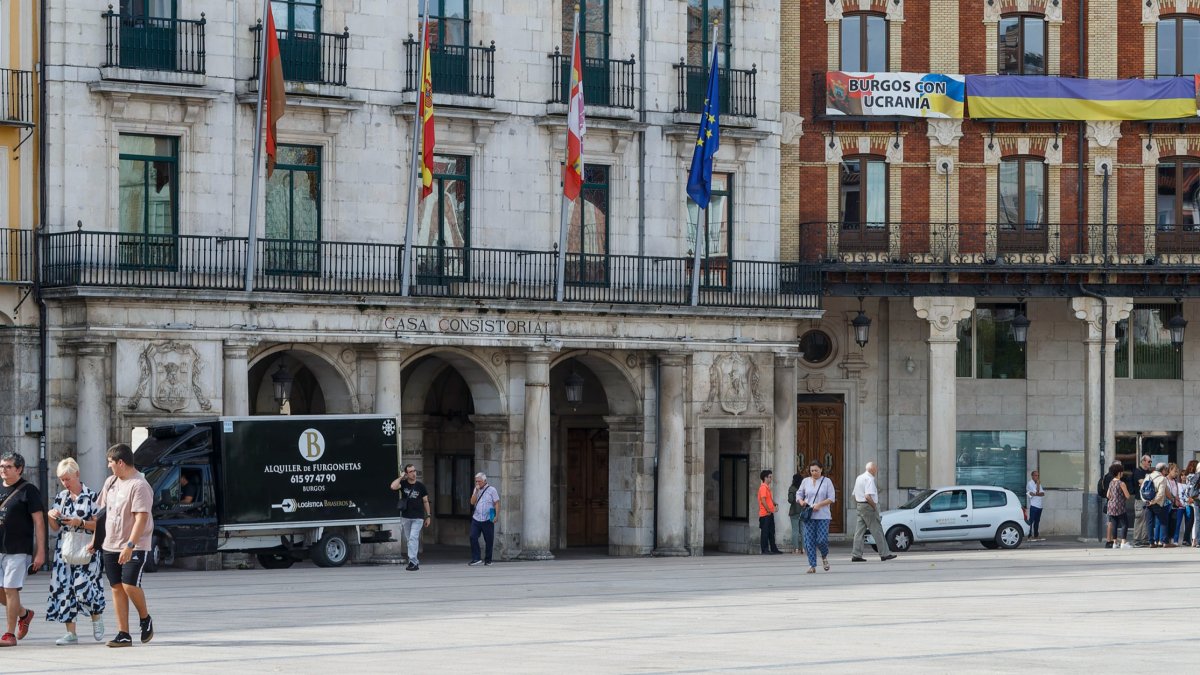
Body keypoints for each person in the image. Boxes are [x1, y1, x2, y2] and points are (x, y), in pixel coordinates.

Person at [94, 443, 155, 647]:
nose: (109, 466)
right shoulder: (110, 482)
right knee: (117, 587)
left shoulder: (139, 485)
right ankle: (123, 633)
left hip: (134, 544)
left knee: (129, 584)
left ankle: (145, 618)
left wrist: (130, 545)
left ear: (121, 462)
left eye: (110, 462)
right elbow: (101, 513)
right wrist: (95, 541)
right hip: (110, 543)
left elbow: (141, 519)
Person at [45, 458, 106, 645]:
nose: (65, 483)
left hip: (87, 548)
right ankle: (71, 633)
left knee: (84, 588)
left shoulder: (92, 496)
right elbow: (55, 528)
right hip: (65, 549)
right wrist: (51, 516)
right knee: (64, 590)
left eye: (68, 479)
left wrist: (80, 523)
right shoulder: (61, 497)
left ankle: (96, 616)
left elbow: (100, 525)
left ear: (77, 475)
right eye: (62, 479)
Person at [0, 451, 45, 647]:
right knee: (4, 592)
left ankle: (8, 635)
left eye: (8, 466)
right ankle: (24, 614)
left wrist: (41, 551)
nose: (3, 469)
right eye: (1, 466)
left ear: (19, 469)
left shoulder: (29, 490)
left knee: (10, 590)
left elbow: (39, 522)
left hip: (18, 549)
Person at [850, 462, 895, 563]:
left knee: (859, 532)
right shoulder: (869, 479)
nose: (877, 470)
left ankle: (856, 554)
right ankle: (884, 554)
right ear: (873, 469)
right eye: (876, 469)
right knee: (877, 530)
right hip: (868, 506)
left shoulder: (859, 477)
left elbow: (854, 494)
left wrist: (859, 504)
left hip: (860, 506)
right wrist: (874, 506)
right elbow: (867, 496)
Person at [795, 462, 836, 574]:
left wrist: (820, 505)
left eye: (816, 470)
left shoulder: (827, 481)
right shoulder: (805, 481)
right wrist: (801, 501)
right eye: (812, 470)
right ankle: (812, 565)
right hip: (809, 515)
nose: (814, 473)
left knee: (821, 540)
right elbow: (798, 494)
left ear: (821, 470)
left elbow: (832, 498)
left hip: (823, 515)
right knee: (809, 541)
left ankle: (824, 555)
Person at [389, 464, 431, 571]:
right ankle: (414, 561)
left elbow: (425, 501)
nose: (414, 473)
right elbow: (393, 486)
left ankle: (412, 562)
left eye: (414, 471)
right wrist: (400, 477)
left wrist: (429, 516)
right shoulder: (403, 484)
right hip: (406, 517)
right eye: (411, 472)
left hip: (418, 517)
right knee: (409, 540)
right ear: (407, 474)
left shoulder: (421, 486)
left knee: (413, 538)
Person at [468, 473, 499, 566]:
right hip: (476, 518)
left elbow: (497, 503)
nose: (477, 483)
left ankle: (488, 560)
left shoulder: (492, 490)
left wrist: (496, 515)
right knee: (473, 537)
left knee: (489, 540)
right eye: (476, 481)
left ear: (484, 481)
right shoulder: (476, 489)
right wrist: (476, 492)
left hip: (488, 518)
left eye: (479, 481)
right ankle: (476, 558)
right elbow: (472, 502)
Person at [1104, 461, 1131, 550]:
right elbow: (1127, 495)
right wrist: (1122, 497)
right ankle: (1123, 542)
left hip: (1111, 506)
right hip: (1120, 506)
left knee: (1114, 524)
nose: (1122, 473)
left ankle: (1114, 543)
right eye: (1122, 472)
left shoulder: (1111, 482)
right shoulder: (1121, 483)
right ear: (1119, 473)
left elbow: (1108, 495)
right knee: (1124, 524)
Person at [757, 470, 781, 555]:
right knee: (765, 532)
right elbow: (763, 500)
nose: (771, 479)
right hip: (765, 514)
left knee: (771, 531)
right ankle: (765, 549)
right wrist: (768, 510)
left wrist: (774, 504)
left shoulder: (767, 487)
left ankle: (773, 548)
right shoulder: (763, 487)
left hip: (769, 513)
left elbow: (769, 499)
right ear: (765, 478)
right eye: (770, 477)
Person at [1145, 462, 1169, 548]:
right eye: (1166, 470)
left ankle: (1151, 542)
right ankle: (1164, 542)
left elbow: (1142, 490)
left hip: (1148, 503)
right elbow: (1161, 494)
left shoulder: (1148, 476)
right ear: (1163, 470)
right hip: (1158, 503)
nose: (1166, 472)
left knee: (1150, 523)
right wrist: (1154, 501)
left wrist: (1147, 501)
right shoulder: (1162, 478)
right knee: (1163, 521)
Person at [1132, 455, 1152, 546]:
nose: (1150, 463)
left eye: (1150, 461)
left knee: (1146, 520)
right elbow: (1142, 482)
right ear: (1143, 461)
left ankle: (1144, 539)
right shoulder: (1138, 471)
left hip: (1147, 499)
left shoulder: (1148, 472)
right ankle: (1136, 540)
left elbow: (1148, 483)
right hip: (1139, 499)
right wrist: (1147, 483)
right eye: (1149, 461)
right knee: (1139, 519)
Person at [786, 473, 804, 555]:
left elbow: (790, 500)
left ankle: (796, 549)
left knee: (795, 530)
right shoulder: (803, 488)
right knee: (803, 530)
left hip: (794, 511)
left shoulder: (792, 488)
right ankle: (803, 549)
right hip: (803, 511)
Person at [1026, 470, 1045, 542]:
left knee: (1037, 521)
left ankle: (1036, 535)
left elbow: (1043, 494)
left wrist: (1037, 493)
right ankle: (1029, 535)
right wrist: (1037, 486)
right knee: (1031, 521)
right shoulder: (1030, 483)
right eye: (1036, 475)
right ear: (1032, 476)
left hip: (1040, 505)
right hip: (1033, 505)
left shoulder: (1038, 483)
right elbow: (1037, 492)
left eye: (1038, 475)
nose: (1037, 477)